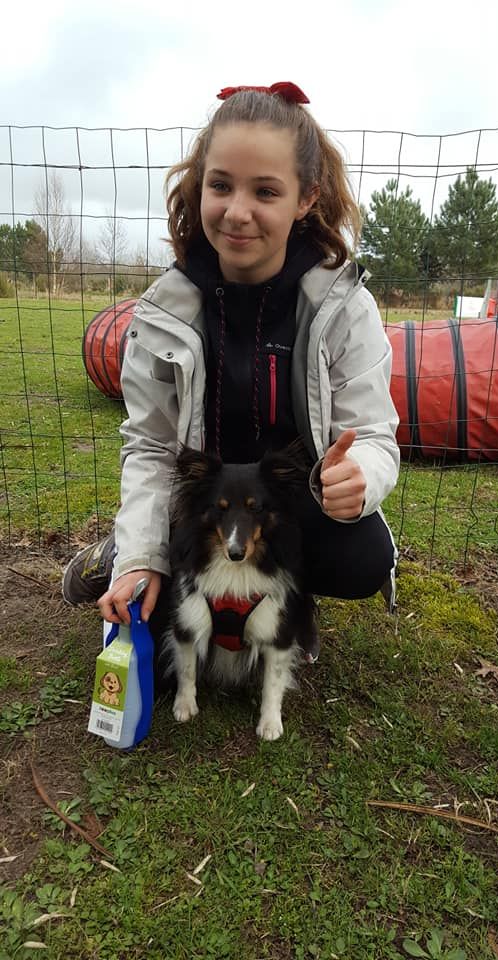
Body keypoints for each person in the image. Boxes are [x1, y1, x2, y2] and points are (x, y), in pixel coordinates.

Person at [62, 81, 400, 661]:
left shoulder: (344, 307)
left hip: (286, 506)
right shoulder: (166, 311)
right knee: (165, 651)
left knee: (360, 555)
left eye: (265, 191)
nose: (237, 212)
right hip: (200, 508)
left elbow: (373, 434)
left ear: (305, 198)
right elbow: (148, 446)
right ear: (201, 188)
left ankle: (282, 600)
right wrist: (143, 557)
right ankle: (121, 552)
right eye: (220, 186)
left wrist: (362, 476)